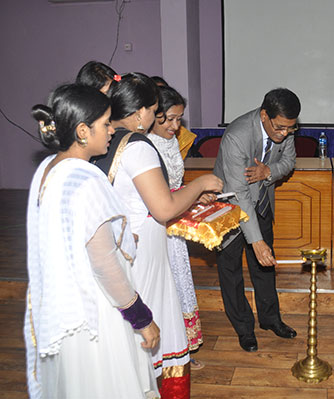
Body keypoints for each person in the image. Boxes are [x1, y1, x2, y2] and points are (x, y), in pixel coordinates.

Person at [25, 84, 160, 398]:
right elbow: (103, 263)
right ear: (83, 130)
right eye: (106, 123)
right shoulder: (84, 179)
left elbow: (70, 233)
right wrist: (141, 317)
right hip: (95, 309)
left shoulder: (48, 167)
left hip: (63, 303)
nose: (112, 130)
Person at [93, 72, 223, 397]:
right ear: (139, 111)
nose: (155, 117)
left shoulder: (104, 143)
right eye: (153, 109)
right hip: (144, 250)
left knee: (129, 329)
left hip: (120, 246)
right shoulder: (138, 147)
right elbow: (163, 208)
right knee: (156, 320)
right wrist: (201, 183)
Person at [213, 88, 300, 352]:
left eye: (291, 129)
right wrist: (257, 240)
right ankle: (243, 327)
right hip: (229, 206)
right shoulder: (237, 136)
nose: (285, 134)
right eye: (281, 128)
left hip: (261, 203)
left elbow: (289, 162)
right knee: (231, 272)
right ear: (264, 115)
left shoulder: (284, 129)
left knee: (264, 267)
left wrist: (268, 171)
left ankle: (270, 319)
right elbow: (239, 194)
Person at [148, 86, 204, 368]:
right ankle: (158, 353)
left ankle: (181, 348)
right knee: (161, 288)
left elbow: (175, 186)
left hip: (173, 227)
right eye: (168, 119)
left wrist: (194, 194)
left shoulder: (171, 142)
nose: (175, 126)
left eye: (179, 119)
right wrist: (196, 188)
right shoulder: (143, 147)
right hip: (154, 227)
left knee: (178, 285)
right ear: (151, 116)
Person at [151, 76, 197, 159]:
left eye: (179, 119)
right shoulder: (141, 147)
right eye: (170, 119)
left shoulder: (173, 142)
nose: (176, 127)